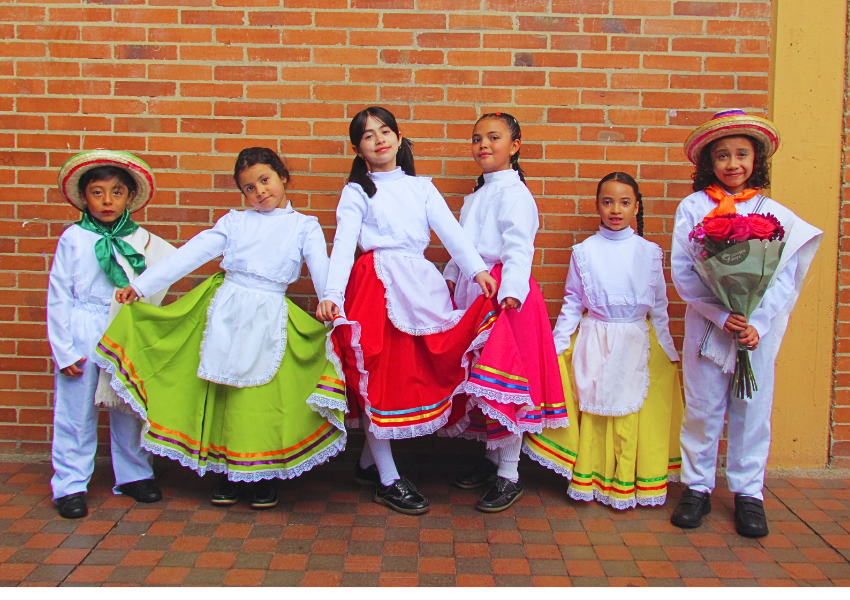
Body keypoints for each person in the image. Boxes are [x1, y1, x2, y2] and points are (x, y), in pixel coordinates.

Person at [95, 147, 346, 510]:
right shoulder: (234, 222)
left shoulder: (303, 226)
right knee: (225, 395)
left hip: (269, 315)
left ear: (282, 177)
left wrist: (330, 301)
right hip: (226, 311)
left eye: (265, 180)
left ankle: (262, 477)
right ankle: (228, 473)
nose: (259, 191)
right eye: (248, 187)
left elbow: (320, 266)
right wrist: (143, 286)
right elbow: (191, 254)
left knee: (260, 399)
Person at [316, 106, 500, 515]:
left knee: (413, 370)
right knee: (376, 378)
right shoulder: (357, 191)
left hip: (418, 285)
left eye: (386, 131)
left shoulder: (422, 188)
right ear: (358, 148)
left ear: (399, 139)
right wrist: (332, 292)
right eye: (368, 135)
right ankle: (387, 478)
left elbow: (451, 231)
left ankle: (368, 464)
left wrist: (478, 270)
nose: (379, 139)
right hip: (375, 286)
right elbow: (344, 242)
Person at [670, 110, 822, 537]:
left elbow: (783, 276)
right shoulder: (694, 208)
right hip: (709, 324)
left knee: (753, 410)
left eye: (742, 154)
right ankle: (696, 486)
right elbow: (684, 270)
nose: (733, 163)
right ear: (708, 163)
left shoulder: (773, 214)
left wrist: (757, 320)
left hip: (756, 332)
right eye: (722, 155)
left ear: (757, 159)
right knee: (702, 406)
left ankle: (748, 492)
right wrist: (722, 315)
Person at [524, 172, 684, 509]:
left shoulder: (649, 252)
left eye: (625, 202)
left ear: (636, 207)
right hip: (596, 337)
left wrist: (668, 349)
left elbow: (659, 306)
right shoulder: (584, 252)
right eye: (607, 202)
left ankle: (627, 480)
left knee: (632, 412)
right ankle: (593, 476)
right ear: (597, 206)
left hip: (636, 340)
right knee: (595, 407)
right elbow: (571, 302)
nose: (616, 209)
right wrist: (558, 345)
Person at [441, 112, 568, 512]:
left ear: (514, 146)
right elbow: (461, 248)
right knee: (483, 380)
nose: (483, 145)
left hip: (504, 296)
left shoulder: (516, 193)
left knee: (506, 380)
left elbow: (519, 247)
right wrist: (449, 281)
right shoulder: (476, 196)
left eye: (493, 138)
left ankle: (509, 474)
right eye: (477, 138)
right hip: (476, 290)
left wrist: (511, 290)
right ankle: (491, 459)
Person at [49, 150, 176, 519]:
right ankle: (70, 484)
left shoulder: (141, 239)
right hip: (84, 326)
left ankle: (135, 474)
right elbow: (59, 296)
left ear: (129, 197)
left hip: (123, 327)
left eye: (117, 192)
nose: (107, 201)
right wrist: (65, 350)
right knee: (76, 409)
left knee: (127, 403)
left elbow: (159, 275)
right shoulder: (73, 238)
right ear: (84, 197)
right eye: (98, 192)